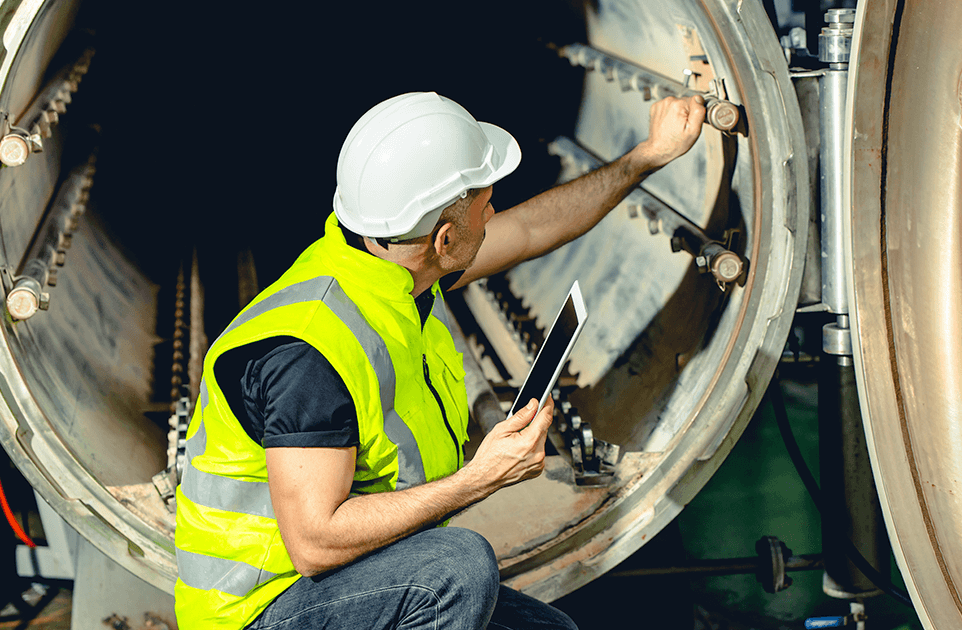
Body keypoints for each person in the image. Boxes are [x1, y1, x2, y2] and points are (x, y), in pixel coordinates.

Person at [174, 91, 706, 629]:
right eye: (484, 204)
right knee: (456, 571)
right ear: (445, 238)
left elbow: (531, 230)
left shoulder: (391, 271)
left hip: (341, 582)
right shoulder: (309, 355)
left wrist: (645, 158)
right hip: (261, 611)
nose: (494, 212)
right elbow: (315, 543)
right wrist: (482, 477)